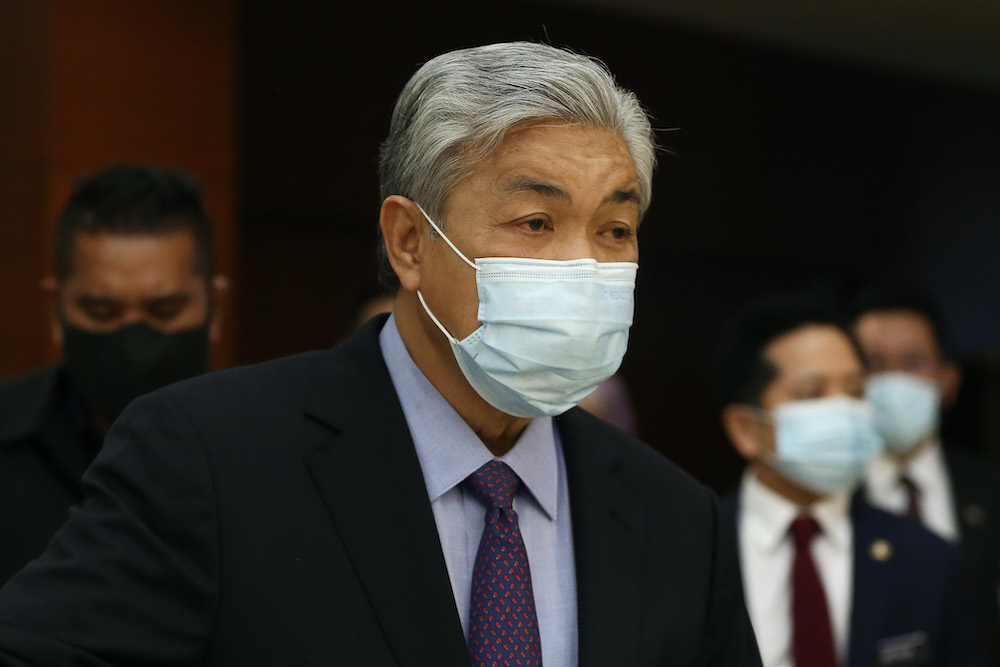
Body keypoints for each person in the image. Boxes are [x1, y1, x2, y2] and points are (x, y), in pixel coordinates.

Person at [0, 42, 760, 666]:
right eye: (535, 222)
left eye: (614, 231)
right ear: (409, 242)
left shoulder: (677, 520)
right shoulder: (209, 457)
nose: (583, 266)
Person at [715, 293, 985, 667]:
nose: (843, 409)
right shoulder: (695, 552)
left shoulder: (930, 560)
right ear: (746, 429)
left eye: (856, 390)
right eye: (812, 393)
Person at [0, 163, 225, 586]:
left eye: (164, 311)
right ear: (55, 310)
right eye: (102, 312)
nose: (133, 340)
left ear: (216, 306)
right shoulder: (8, 441)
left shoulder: (267, 448)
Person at [851, 282, 1000, 663]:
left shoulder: (991, 488)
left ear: (948, 380)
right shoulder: (828, 495)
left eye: (914, 361)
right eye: (874, 364)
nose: (893, 380)